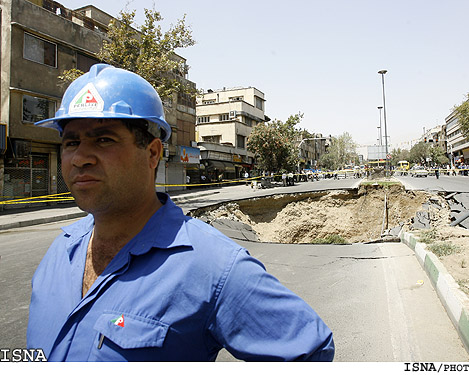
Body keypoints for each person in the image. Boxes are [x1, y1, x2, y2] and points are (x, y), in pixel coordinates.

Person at [27, 64, 334, 362]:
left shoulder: (211, 265)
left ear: (152, 153)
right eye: (71, 142)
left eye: (104, 139)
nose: (80, 158)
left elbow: (310, 352)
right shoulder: (60, 251)